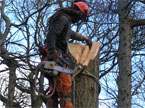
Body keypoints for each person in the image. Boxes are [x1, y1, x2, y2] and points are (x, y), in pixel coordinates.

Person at [41, 1, 92, 108]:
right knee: (65, 88)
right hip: (54, 55)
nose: (78, 20)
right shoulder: (63, 19)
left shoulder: (65, 21)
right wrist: (52, 53)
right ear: (77, 12)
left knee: (54, 89)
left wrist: (85, 38)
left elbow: (71, 33)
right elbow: (52, 35)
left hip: (54, 55)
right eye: (80, 17)